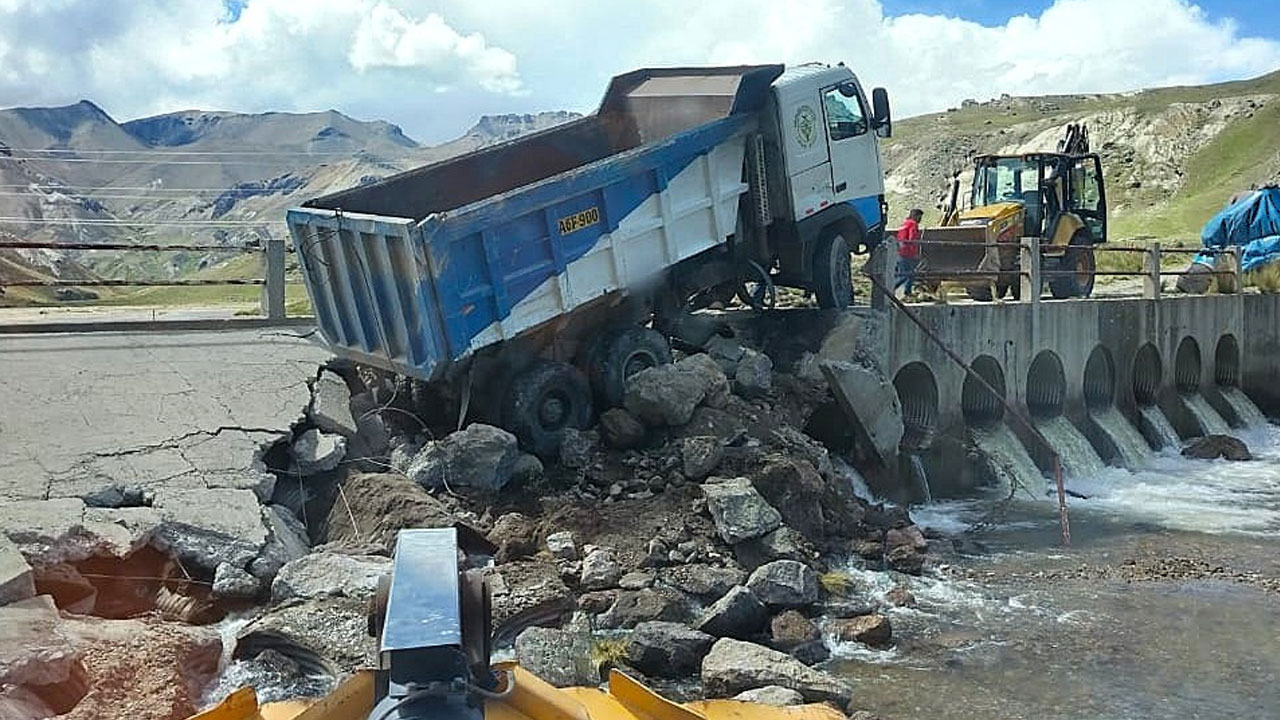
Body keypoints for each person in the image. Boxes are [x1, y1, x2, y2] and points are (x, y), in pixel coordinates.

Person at [895, 208, 924, 296]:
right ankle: (891, 288)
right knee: (908, 274)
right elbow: (912, 239)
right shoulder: (913, 224)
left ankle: (907, 292)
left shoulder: (904, 224)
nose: (920, 219)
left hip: (900, 251)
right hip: (907, 253)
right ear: (915, 216)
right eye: (919, 217)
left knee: (905, 273)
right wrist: (915, 253)